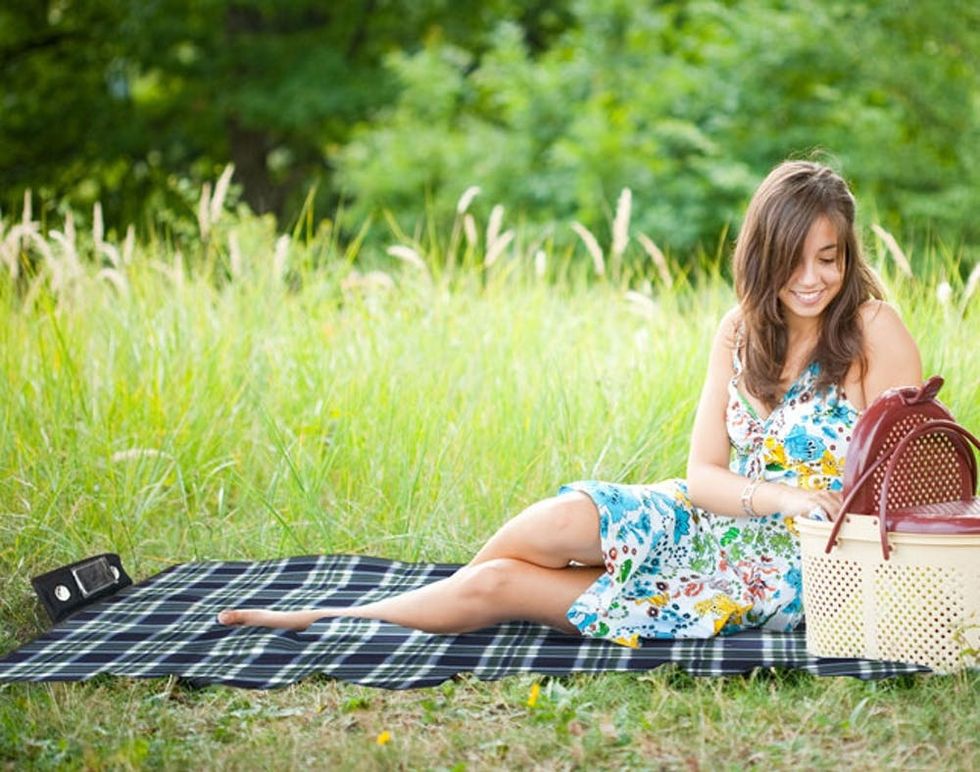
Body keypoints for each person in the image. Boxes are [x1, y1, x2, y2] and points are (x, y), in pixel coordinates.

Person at [218, 160, 922, 646]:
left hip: (791, 567)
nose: (812, 278)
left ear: (847, 255)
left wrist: (810, 513)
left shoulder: (871, 331)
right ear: (762, 255)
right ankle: (395, 608)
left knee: (503, 585)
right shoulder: (738, 330)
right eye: (794, 258)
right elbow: (704, 474)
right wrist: (774, 496)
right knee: (558, 520)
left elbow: (914, 484)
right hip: (719, 516)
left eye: (828, 257)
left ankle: (335, 617)